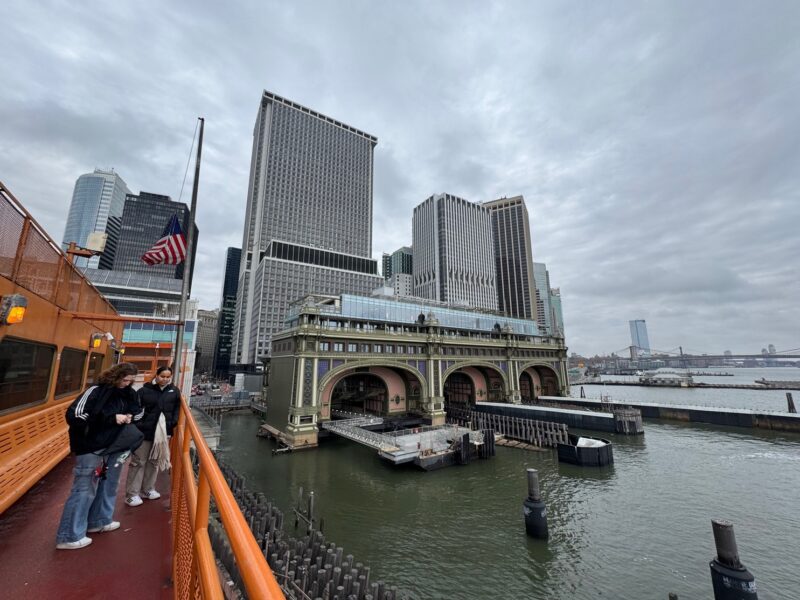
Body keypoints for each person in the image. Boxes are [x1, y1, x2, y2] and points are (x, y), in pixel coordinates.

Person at [56, 362, 141, 550]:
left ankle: (100, 520)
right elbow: (75, 415)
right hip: (92, 446)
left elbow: (138, 411)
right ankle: (69, 535)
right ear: (116, 376)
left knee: (109, 483)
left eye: (130, 381)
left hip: (115, 445)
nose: (127, 383)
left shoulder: (129, 393)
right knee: (84, 488)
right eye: (125, 380)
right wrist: (111, 419)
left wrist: (129, 416)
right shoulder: (95, 391)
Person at [125, 366, 181, 506]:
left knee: (154, 461)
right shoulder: (144, 391)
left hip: (162, 433)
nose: (165, 379)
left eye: (168, 377)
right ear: (156, 375)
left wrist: (171, 424)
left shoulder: (174, 392)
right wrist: (141, 425)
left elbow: (176, 410)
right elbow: (136, 409)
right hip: (145, 431)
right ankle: (132, 494)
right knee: (139, 461)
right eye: (162, 376)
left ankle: (148, 489)